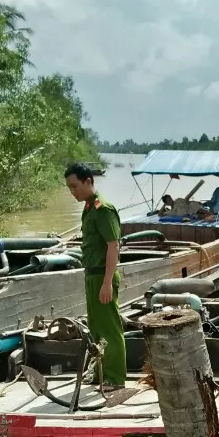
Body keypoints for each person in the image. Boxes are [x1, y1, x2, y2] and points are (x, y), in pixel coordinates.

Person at [65, 162, 126, 391]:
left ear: (88, 181)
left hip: (103, 275)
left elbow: (113, 245)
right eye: (69, 188)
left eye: (74, 186)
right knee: (96, 327)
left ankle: (115, 378)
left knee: (110, 328)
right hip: (91, 275)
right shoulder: (89, 207)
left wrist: (108, 282)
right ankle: (100, 373)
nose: (73, 192)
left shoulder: (103, 209)